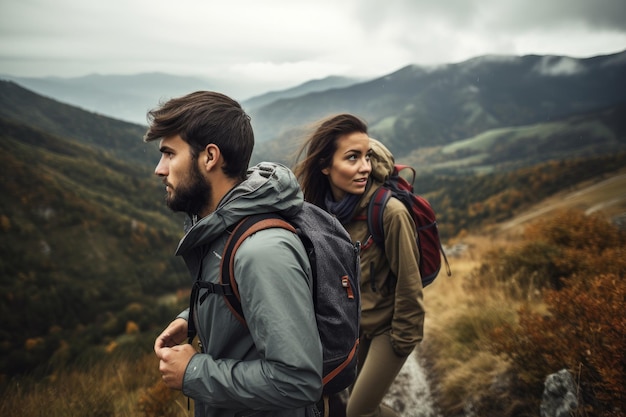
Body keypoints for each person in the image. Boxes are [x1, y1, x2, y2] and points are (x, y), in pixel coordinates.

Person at [144, 91, 323, 417]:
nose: (160, 169)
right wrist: (193, 317)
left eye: (169, 154)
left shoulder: (262, 251)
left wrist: (193, 372)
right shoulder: (224, 227)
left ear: (209, 157)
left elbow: (298, 381)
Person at [293, 114, 425, 417]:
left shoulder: (390, 213)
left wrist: (401, 341)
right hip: (351, 329)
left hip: (388, 330)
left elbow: (410, 284)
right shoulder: (319, 213)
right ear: (325, 166)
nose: (364, 167)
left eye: (366, 156)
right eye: (352, 158)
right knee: (338, 404)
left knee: (358, 411)